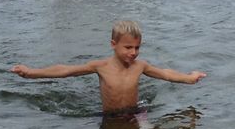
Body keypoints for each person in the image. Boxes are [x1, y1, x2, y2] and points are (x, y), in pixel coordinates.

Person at [11, 20, 206, 115]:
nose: (133, 52)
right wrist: (31, 72)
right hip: (109, 116)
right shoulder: (101, 66)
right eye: (128, 47)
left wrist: (189, 78)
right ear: (114, 44)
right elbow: (65, 70)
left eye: (137, 47)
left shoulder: (140, 66)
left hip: (135, 113)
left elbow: (165, 74)